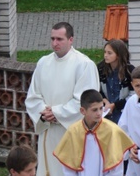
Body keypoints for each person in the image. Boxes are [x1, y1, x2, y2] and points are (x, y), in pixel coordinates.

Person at [26, 22, 99, 176]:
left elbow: (86, 101)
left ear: (71, 39)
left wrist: (57, 113)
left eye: (60, 39)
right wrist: (44, 113)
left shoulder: (84, 64)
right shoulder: (43, 63)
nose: (55, 43)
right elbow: (33, 96)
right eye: (52, 38)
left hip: (71, 132)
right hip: (48, 130)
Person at [53, 89, 135, 176]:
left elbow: (116, 165)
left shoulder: (112, 130)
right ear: (82, 111)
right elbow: (69, 167)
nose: (99, 113)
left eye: (101, 108)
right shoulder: (73, 131)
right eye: (94, 110)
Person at [97, 39, 134, 125]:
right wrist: (104, 101)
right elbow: (96, 88)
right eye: (105, 52)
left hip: (123, 111)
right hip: (105, 110)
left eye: (109, 53)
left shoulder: (129, 71)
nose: (105, 55)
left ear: (118, 55)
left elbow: (133, 95)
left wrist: (115, 105)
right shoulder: (100, 68)